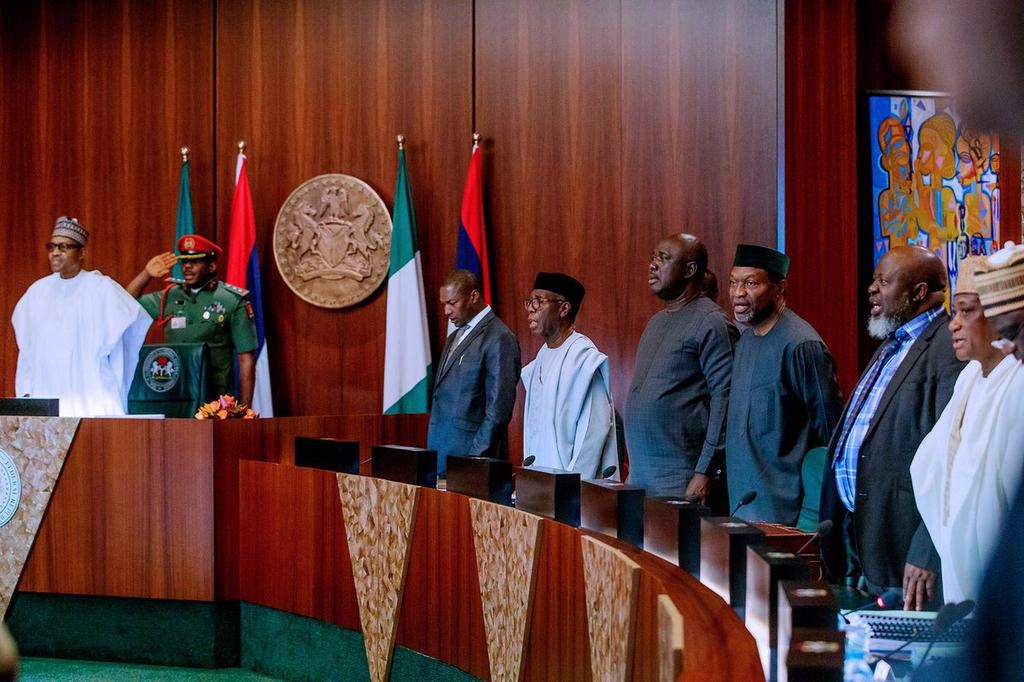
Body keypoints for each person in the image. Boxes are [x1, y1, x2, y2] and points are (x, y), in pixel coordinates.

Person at [820, 245, 965, 611]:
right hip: (858, 535)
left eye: (884, 282)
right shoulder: (894, 341)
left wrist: (926, 549)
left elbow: (955, 459)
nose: (872, 289)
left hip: (902, 547)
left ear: (918, 292)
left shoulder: (948, 348)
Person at [910, 255, 1024, 604]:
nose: (953, 324)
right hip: (959, 563)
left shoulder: (1017, 384)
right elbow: (930, 469)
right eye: (954, 312)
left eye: (967, 311)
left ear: (1000, 317)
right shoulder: (970, 377)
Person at [725, 244, 843, 524]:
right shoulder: (746, 339)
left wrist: (811, 513)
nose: (738, 293)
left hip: (786, 517)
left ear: (779, 289)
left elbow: (832, 434)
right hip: (743, 507)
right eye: (733, 282)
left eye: (751, 283)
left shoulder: (802, 346)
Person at [624, 233, 738, 501]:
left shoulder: (712, 322)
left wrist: (705, 470)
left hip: (682, 480)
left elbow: (726, 399)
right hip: (643, 478)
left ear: (690, 270)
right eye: (653, 257)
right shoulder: (656, 322)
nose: (652, 265)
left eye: (663, 258)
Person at [11, 217, 152, 417]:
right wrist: (27, 390)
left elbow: (133, 322)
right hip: (46, 390)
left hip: (89, 390)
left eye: (64, 247)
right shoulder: (37, 292)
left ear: (82, 252)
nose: (55, 253)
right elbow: (26, 348)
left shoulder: (101, 288)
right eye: (52, 247)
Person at [126, 234, 257, 405]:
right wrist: (146, 274)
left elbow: (246, 358)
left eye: (195, 262)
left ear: (211, 266)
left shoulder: (231, 300)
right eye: (184, 261)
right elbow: (125, 304)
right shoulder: (169, 296)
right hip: (175, 394)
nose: (187, 266)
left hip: (215, 399)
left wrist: (245, 408)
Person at [520, 272, 617, 478]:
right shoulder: (541, 358)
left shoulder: (583, 359)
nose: (530, 308)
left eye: (538, 301)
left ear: (564, 308)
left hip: (570, 485)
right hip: (540, 482)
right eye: (529, 302)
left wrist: (570, 486)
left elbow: (592, 434)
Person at [427, 270, 520, 476]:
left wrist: (474, 460)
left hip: (471, 463)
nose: (446, 311)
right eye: (444, 304)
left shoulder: (499, 337)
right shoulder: (455, 336)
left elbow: (498, 410)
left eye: (452, 303)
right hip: (442, 455)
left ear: (474, 296)